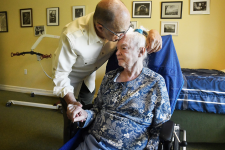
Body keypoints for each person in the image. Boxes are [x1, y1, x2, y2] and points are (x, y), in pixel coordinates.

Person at [52, 0, 163, 144]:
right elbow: (60, 75)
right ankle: (70, 142)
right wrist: (72, 103)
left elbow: (137, 32)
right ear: (100, 27)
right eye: (119, 34)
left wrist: (153, 32)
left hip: (89, 76)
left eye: (126, 29)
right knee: (72, 118)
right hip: (70, 79)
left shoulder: (117, 25)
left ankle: (83, 138)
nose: (124, 35)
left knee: (86, 111)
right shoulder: (72, 36)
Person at [68, 32, 171, 150]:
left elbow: (160, 125)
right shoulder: (109, 77)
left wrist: (151, 148)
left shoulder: (155, 82)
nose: (117, 53)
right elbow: (97, 109)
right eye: (117, 49)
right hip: (94, 143)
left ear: (141, 52)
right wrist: (85, 115)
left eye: (124, 48)